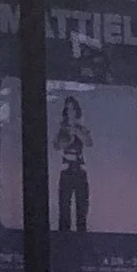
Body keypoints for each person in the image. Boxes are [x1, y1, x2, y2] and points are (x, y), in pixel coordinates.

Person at [55, 93, 92, 236]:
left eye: (72, 109)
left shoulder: (81, 128)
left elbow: (88, 142)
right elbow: (57, 145)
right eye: (67, 109)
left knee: (82, 205)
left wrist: (76, 130)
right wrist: (68, 134)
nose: (70, 112)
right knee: (64, 206)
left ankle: (81, 236)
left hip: (80, 169)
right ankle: (64, 236)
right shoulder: (62, 128)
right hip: (66, 169)